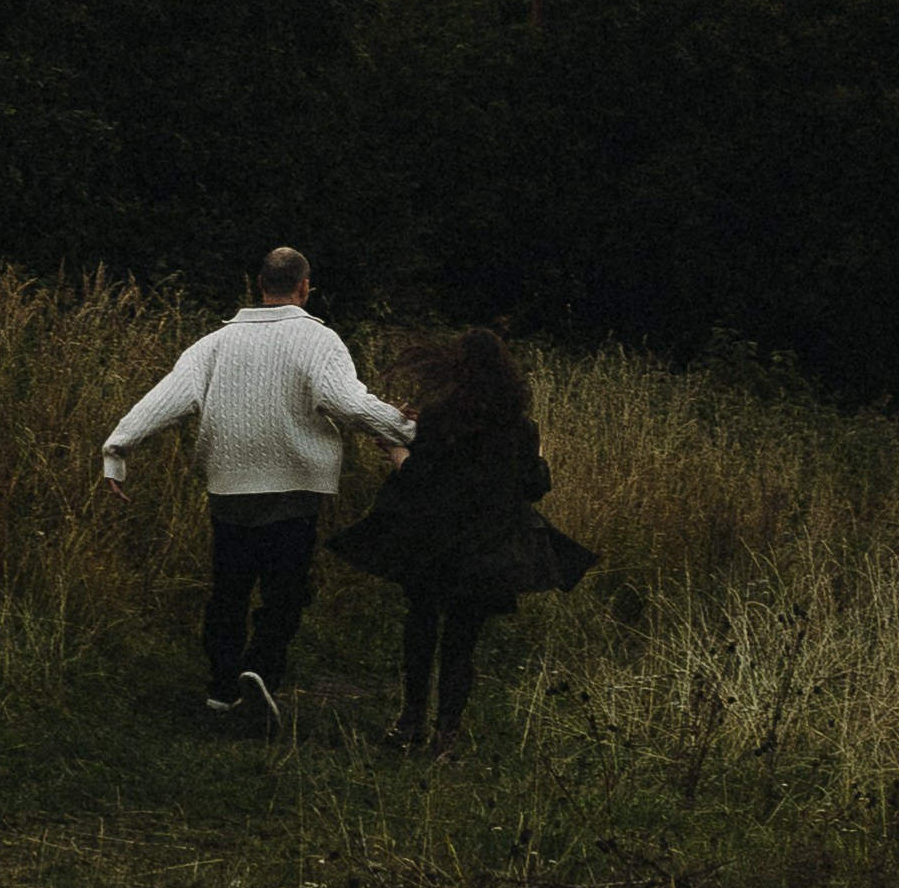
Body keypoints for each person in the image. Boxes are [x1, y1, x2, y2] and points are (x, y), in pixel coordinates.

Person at [101, 246, 415, 722]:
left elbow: (165, 398)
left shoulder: (212, 345)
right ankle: (262, 670)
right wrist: (410, 432)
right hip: (294, 490)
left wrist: (117, 449)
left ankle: (223, 685)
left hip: (230, 491)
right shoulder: (319, 341)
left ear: (259, 285)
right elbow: (351, 405)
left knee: (229, 589)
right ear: (304, 287)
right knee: (284, 591)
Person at [327, 327, 595, 751]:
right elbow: (534, 485)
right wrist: (537, 457)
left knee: (420, 629)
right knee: (462, 642)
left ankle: (410, 722)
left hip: (432, 546)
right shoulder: (520, 428)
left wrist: (396, 452)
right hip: (486, 550)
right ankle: (446, 732)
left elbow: (422, 478)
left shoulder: (440, 420)